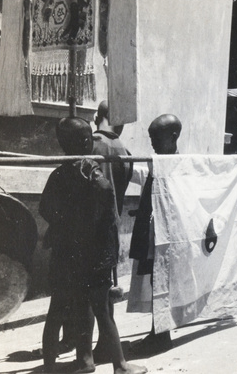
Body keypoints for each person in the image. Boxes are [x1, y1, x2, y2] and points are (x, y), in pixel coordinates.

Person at [40, 117, 146, 374]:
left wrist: (63, 225)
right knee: (101, 309)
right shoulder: (90, 170)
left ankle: (57, 365)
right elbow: (106, 195)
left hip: (67, 254)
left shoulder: (58, 173)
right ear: (86, 141)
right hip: (92, 254)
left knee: (59, 309)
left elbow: (44, 208)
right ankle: (120, 366)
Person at [129, 114, 181, 355]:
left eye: (155, 137)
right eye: (150, 137)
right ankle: (157, 331)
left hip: (168, 238)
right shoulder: (158, 163)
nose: (151, 142)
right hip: (153, 235)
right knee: (154, 282)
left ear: (173, 137)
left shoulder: (179, 167)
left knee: (162, 284)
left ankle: (161, 335)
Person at [91, 100, 133, 363]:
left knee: (92, 291)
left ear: (98, 116)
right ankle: (106, 344)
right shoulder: (124, 148)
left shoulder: (93, 142)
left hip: (91, 227)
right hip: (112, 226)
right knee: (104, 286)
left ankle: (97, 349)